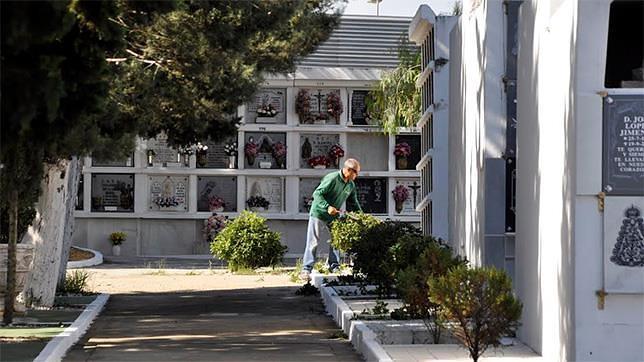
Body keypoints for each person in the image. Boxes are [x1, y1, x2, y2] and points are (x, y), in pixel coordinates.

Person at [300, 158, 362, 280]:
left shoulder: (350, 184)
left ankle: (334, 266)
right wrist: (327, 207)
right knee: (313, 241)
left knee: (336, 240)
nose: (357, 175)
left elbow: (354, 202)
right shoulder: (332, 178)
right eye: (356, 172)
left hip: (333, 215)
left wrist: (361, 216)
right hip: (319, 212)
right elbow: (317, 194)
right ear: (348, 170)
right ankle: (306, 269)